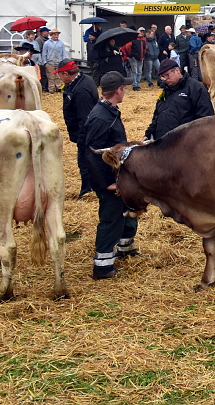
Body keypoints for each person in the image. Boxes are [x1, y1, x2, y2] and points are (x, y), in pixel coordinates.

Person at [84, 70, 137, 279]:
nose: (126, 91)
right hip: (108, 180)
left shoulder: (109, 111)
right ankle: (103, 266)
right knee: (111, 218)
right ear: (118, 90)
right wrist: (108, 183)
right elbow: (93, 153)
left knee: (125, 212)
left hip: (116, 176)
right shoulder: (100, 117)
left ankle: (125, 247)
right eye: (124, 88)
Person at [56, 59, 99, 199]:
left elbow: (84, 117)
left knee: (85, 161)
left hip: (87, 134)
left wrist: (82, 138)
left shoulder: (81, 91)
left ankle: (88, 190)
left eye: (60, 74)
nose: (59, 78)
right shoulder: (82, 81)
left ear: (66, 74)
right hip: (85, 133)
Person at [144, 58, 215, 141]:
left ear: (177, 70)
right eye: (163, 77)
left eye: (167, 75)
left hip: (185, 142)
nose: (165, 79)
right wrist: (148, 133)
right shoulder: (165, 91)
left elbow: (206, 117)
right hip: (163, 143)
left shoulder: (195, 88)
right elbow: (157, 115)